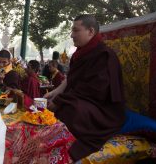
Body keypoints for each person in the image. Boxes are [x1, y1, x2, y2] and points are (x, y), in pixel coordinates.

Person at [44, 14, 125, 162]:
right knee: (58, 106)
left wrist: (60, 101)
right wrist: (57, 92)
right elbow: (71, 79)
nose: (72, 35)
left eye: (76, 30)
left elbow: (95, 91)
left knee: (71, 111)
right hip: (80, 98)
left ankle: (63, 148)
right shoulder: (80, 53)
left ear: (91, 31)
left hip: (102, 108)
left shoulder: (104, 55)